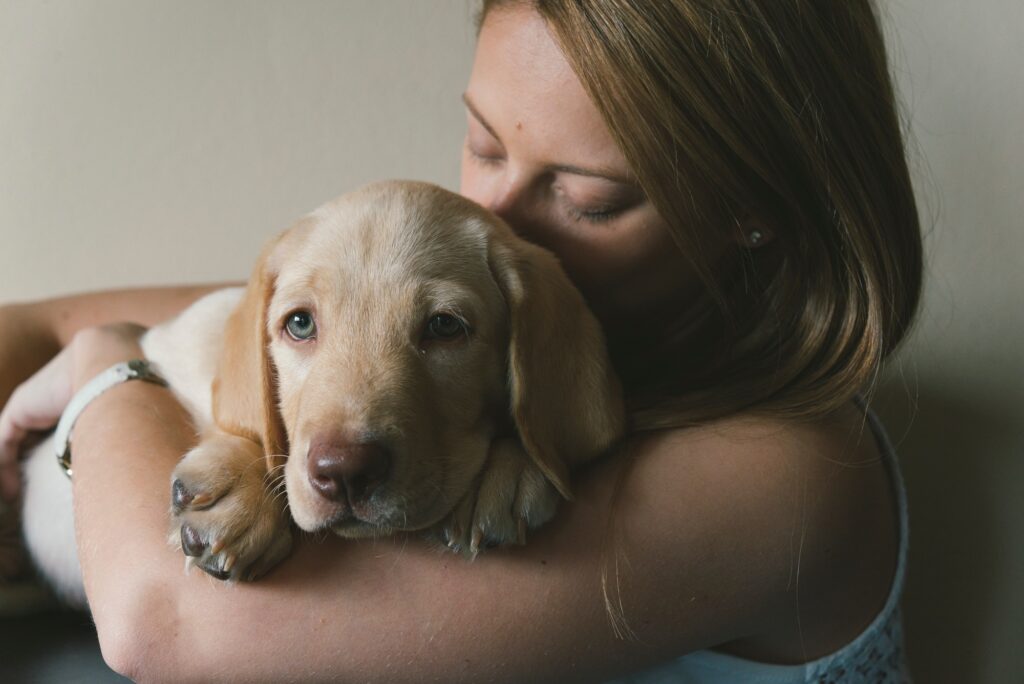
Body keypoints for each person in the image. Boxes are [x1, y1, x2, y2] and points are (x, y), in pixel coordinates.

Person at [0, 1, 921, 681]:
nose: (492, 218)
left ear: (748, 214)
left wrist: (102, 367)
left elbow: (165, 629)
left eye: (589, 197)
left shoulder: (787, 479)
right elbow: (41, 322)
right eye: (484, 145)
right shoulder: (424, 284)